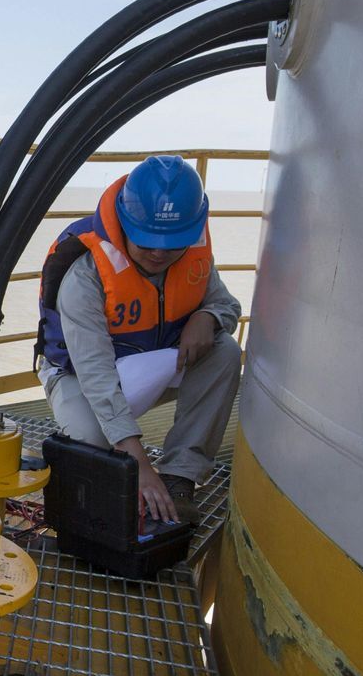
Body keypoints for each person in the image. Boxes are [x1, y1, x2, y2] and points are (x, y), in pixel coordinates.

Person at [34, 155, 242, 524]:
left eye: (172, 243)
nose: (160, 253)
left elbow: (225, 303)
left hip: (147, 364)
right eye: (147, 242)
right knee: (90, 439)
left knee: (224, 349)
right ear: (123, 225)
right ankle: (119, 461)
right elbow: (96, 374)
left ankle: (181, 476)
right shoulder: (86, 277)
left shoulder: (193, 257)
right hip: (80, 375)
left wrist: (208, 317)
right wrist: (137, 461)